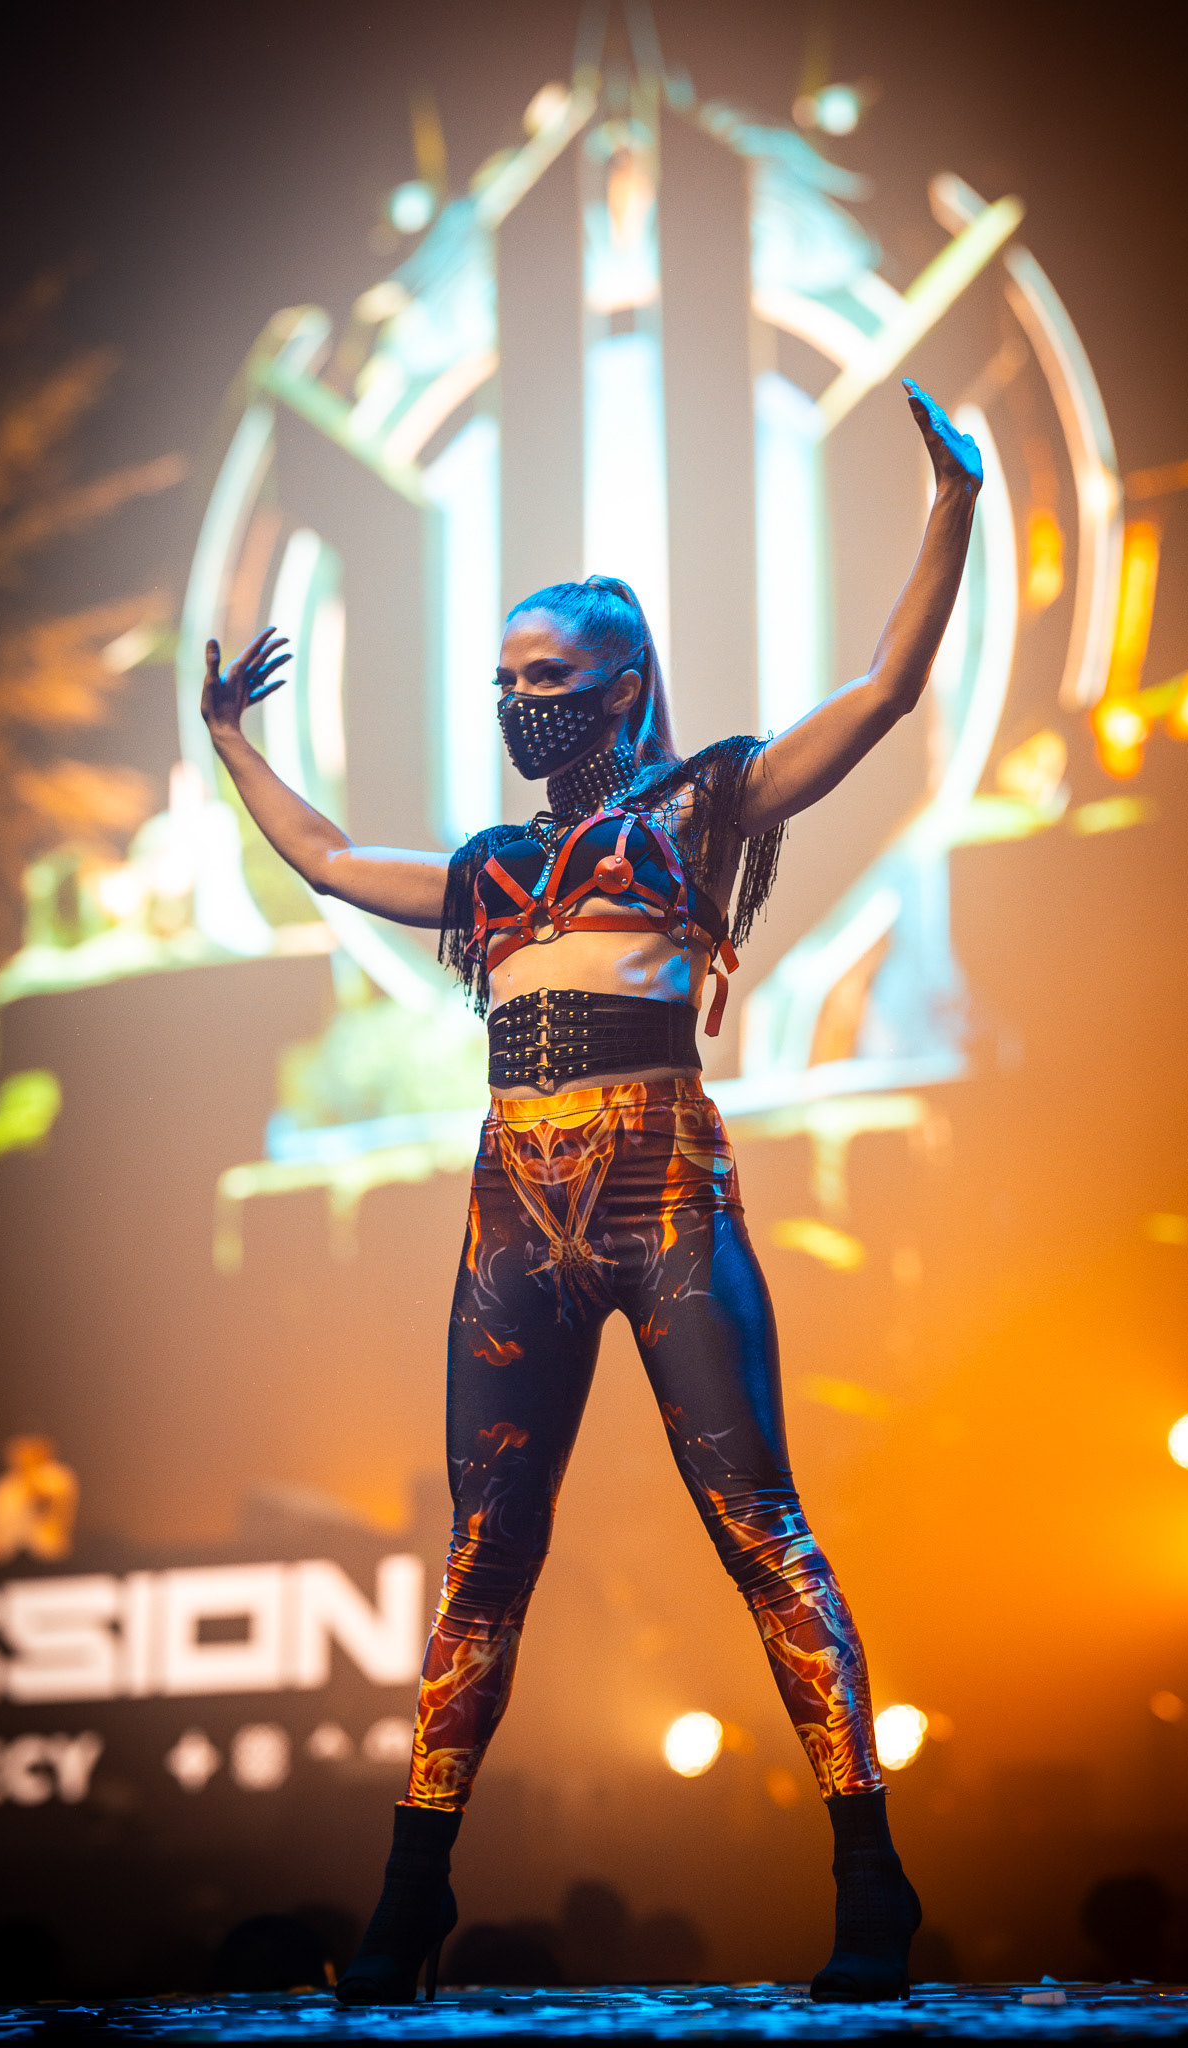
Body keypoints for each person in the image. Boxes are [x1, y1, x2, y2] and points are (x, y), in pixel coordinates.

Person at [201, 377, 981, 2004]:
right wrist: (229, 742)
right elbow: (331, 859)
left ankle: (868, 1878)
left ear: (624, 687)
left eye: (546, 678)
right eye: (503, 681)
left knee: (759, 1529)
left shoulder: (705, 803)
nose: (518, 702)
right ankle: (409, 1901)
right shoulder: (488, 867)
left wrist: (954, 505)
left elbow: (885, 689)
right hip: (514, 1222)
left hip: (664, 1198)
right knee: (483, 1560)